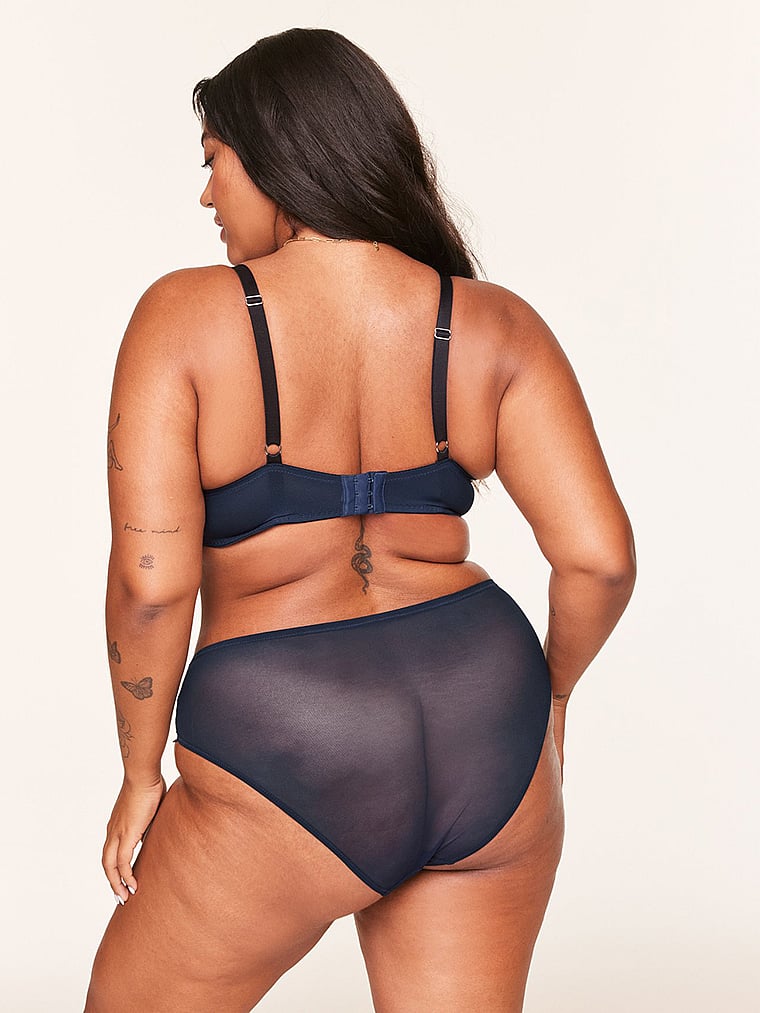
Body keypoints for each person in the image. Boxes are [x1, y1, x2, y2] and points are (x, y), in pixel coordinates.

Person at [84, 26, 636, 1013]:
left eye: (214, 161)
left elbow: (152, 584)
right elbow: (599, 559)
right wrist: (548, 701)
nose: (207, 196)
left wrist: (139, 774)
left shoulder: (184, 316)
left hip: (285, 734)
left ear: (279, 155)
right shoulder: (493, 323)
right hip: (486, 722)